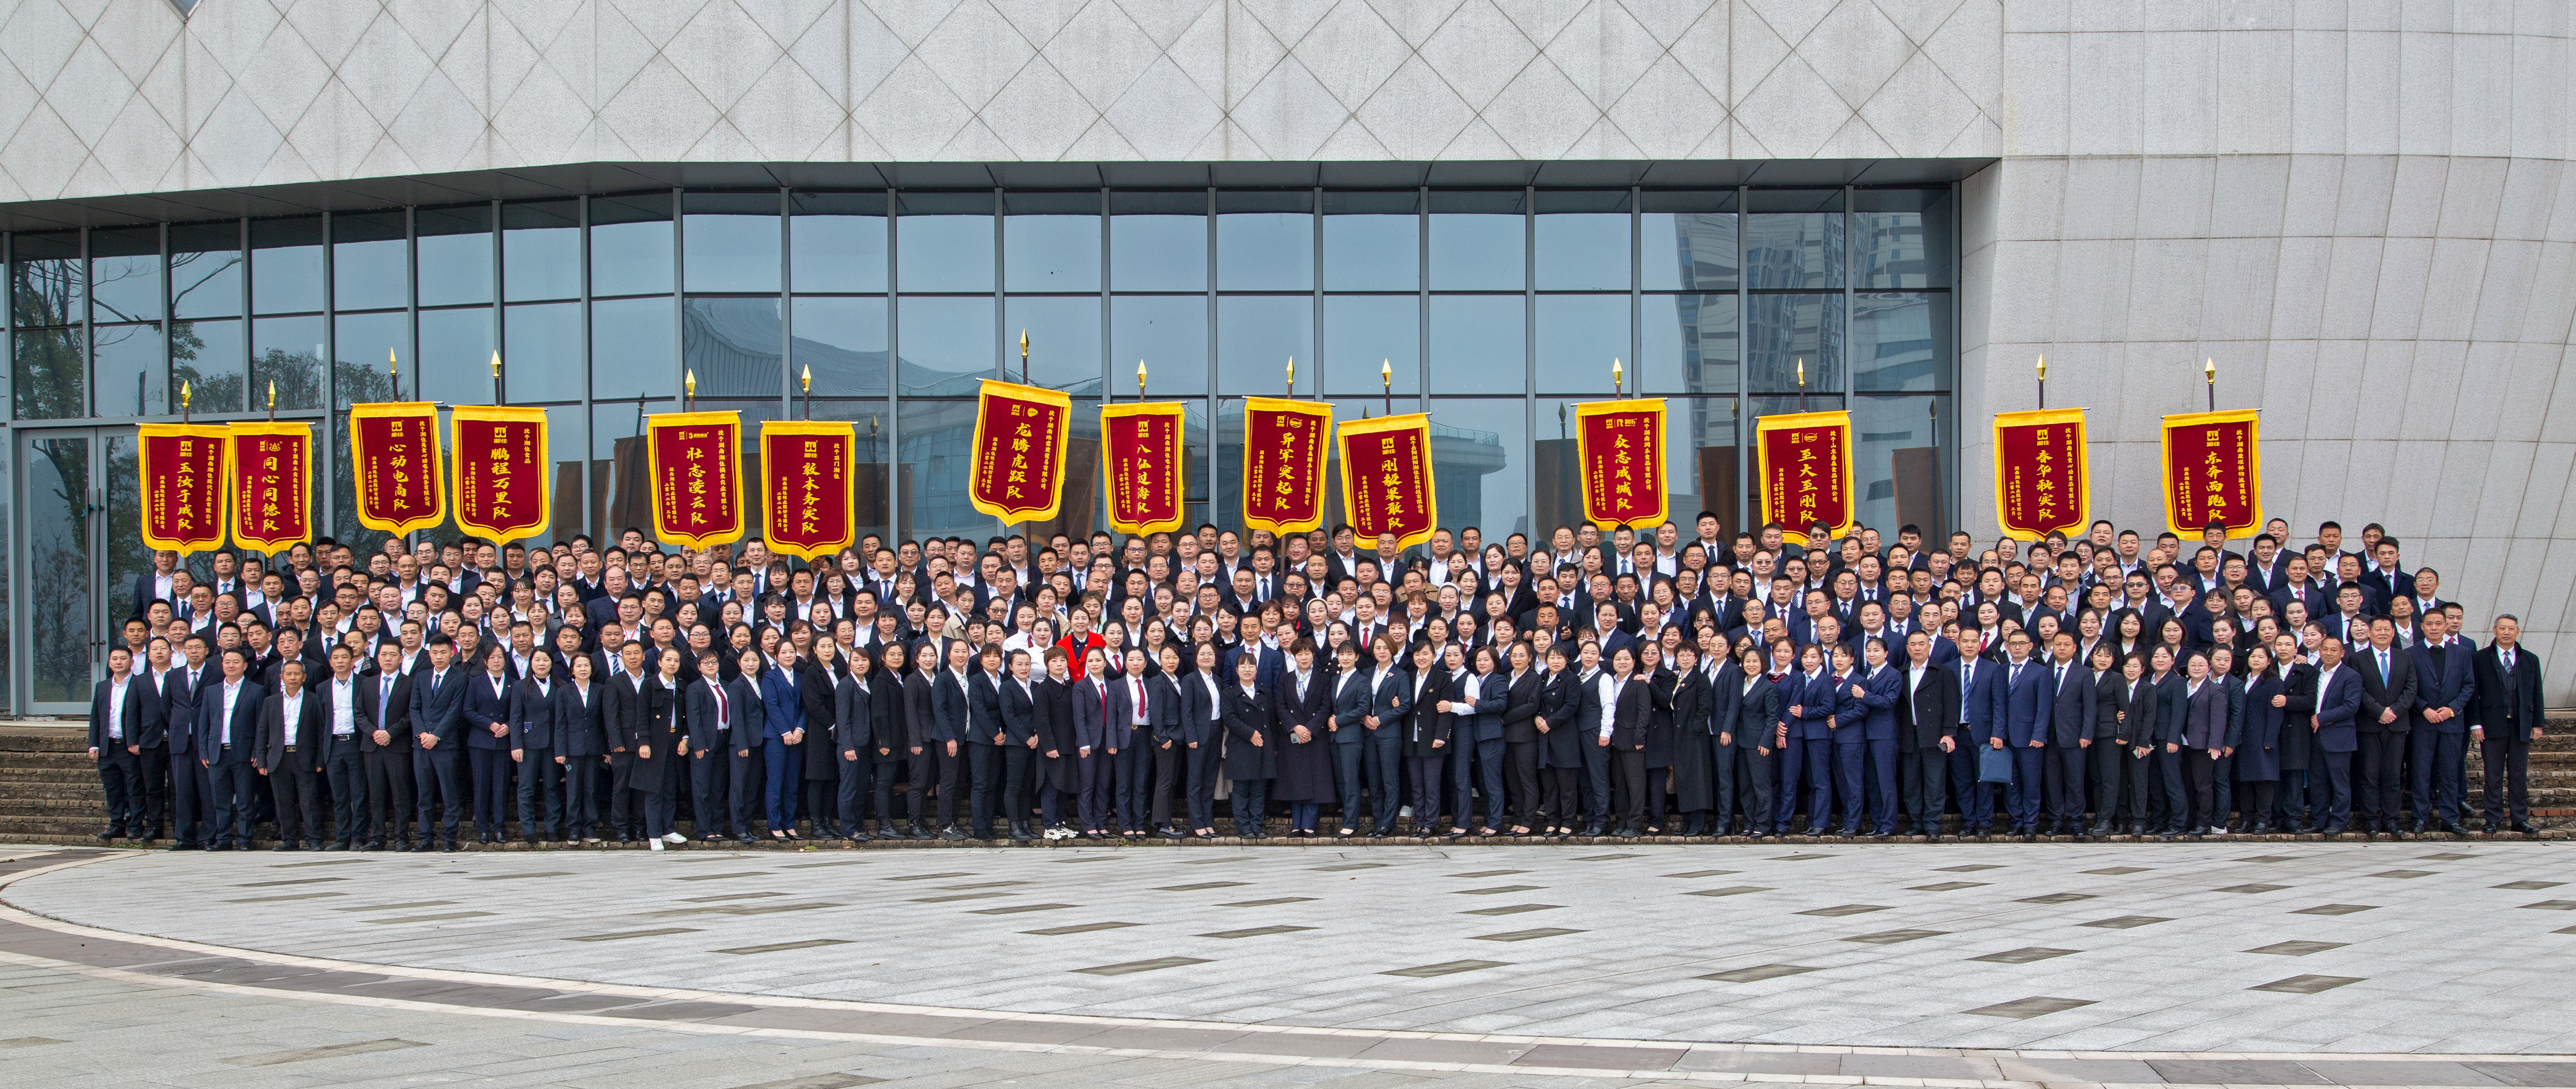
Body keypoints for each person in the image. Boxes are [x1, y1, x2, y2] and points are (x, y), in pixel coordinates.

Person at [2471, 615, 2544, 834]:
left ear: (2518, 632)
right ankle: (2492, 819)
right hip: (2491, 723)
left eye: (2511, 629)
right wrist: (2475, 724)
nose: (2507, 633)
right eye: (2502, 628)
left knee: (2518, 774)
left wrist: (2538, 723)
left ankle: (2520, 819)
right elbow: (2473, 694)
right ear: (2494, 630)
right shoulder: (2480, 658)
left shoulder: (2530, 659)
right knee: (2493, 775)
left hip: (2521, 724)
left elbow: (2537, 693)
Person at [2406, 607, 2476, 833]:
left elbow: (2469, 686)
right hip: (2422, 722)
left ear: (2446, 626)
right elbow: (2408, 687)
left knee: (2450, 773)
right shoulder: (2411, 653)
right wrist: (2424, 709)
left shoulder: (2462, 653)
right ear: (2422, 627)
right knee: (2421, 772)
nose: (2434, 628)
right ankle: (2420, 818)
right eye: (2429, 624)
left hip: (2452, 722)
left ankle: (2450, 819)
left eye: (2439, 624)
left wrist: (2453, 709)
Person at [2352, 617, 2417, 835]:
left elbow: (2411, 689)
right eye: (2378, 629)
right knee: (2369, 774)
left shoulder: (2405, 657)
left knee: (2393, 775)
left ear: (2393, 633)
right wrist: (2379, 711)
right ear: (2369, 633)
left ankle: (2391, 819)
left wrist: (2394, 712)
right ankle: (2371, 819)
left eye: (2387, 629)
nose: (2382, 633)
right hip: (2369, 724)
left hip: (2397, 725)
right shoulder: (2358, 659)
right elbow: (2358, 690)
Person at [253, 659, 323, 850]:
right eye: (289, 674)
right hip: (279, 757)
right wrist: (262, 760)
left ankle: (314, 839)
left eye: (297, 674)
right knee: (283, 802)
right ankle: (289, 840)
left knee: (309, 801)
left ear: (304, 677)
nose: (293, 678)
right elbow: (263, 732)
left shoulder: (313, 700)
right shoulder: (271, 701)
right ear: (281, 677)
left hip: (305, 757)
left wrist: (320, 759)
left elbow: (321, 732)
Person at [408, 636, 467, 851]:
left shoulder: (460, 678)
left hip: (446, 744)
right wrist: (422, 733)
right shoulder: (422, 677)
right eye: (435, 652)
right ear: (430, 654)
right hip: (422, 745)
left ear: (452, 653)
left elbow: (455, 711)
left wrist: (437, 735)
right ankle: (425, 838)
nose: (439, 656)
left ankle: (449, 838)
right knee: (424, 795)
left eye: (443, 652)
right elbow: (414, 708)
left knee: (449, 794)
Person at [356, 641, 414, 851]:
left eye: (393, 655)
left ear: (401, 658)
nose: (388, 659)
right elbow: (359, 713)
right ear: (378, 658)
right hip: (372, 746)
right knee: (376, 794)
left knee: (400, 794)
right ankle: (377, 837)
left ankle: (401, 838)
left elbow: (411, 714)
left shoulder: (410, 683)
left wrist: (390, 733)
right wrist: (374, 732)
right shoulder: (367, 683)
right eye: (384, 655)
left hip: (397, 745)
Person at [1897, 631, 1956, 839]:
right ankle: (1916, 822)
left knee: (1935, 782)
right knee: (1911, 782)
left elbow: (1952, 704)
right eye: (1913, 644)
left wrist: (1949, 733)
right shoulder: (1901, 673)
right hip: (1908, 735)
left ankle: (1932, 825)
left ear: (1929, 647)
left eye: (1922, 644)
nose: (1918, 648)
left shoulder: (1942, 672)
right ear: (1908, 649)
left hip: (1934, 735)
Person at [85, 646, 147, 841]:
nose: (119, 662)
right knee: (112, 789)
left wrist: (138, 741)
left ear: (132, 662)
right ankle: (116, 825)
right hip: (107, 747)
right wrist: (94, 744)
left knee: (135, 788)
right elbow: (96, 717)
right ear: (110, 664)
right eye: (115, 659)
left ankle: (136, 826)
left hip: (129, 747)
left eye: (123, 658)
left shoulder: (141, 684)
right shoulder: (102, 687)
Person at [1222, 649, 1278, 839]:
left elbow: (1272, 721)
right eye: (1243, 666)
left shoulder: (1265, 692)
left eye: (1251, 665)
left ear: (1256, 669)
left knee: (1259, 790)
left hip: (1264, 746)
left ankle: (1257, 826)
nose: (1247, 669)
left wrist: (1273, 746)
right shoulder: (1230, 694)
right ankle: (1244, 827)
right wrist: (1250, 734)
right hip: (1240, 746)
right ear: (1236, 670)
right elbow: (1230, 719)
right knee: (1241, 790)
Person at [553, 652, 606, 843]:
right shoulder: (564, 692)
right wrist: (560, 751)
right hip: (572, 748)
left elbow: (604, 721)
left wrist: (607, 749)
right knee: (574, 790)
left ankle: (590, 828)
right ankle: (574, 829)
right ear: (572, 671)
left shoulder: (600, 690)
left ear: (592, 670)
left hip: (594, 747)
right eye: (579, 666)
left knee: (591, 789)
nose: (583, 669)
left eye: (586, 666)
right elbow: (560, 723)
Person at [318, 645, 367, 850]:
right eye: (336, 658)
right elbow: (321, 721)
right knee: (339, 796)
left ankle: (359, 838)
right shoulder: (323, 688)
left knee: (359, 794)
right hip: (334, 745)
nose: (340, 661)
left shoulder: (364, 684)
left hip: (357, 743)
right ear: (330, 663)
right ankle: (342, 838)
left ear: (352, 661)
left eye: (344, 657)